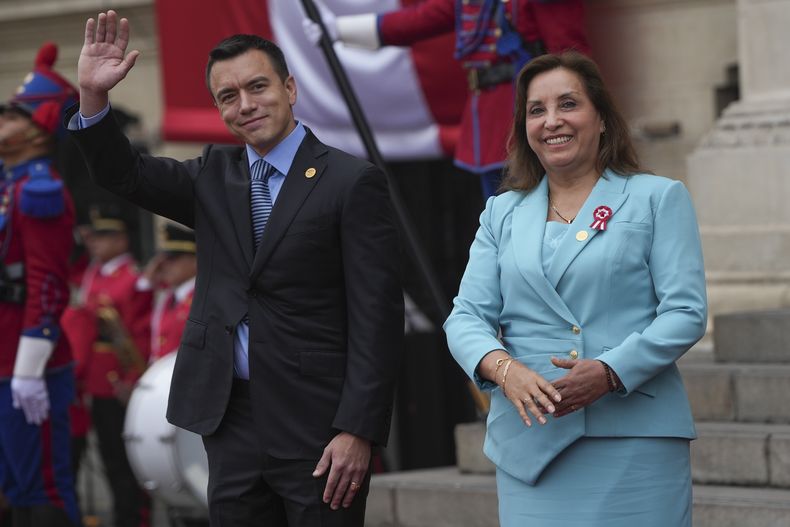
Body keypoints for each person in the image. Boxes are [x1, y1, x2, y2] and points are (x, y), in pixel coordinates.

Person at [68, 11, 404, 527]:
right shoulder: (211, 175)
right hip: (230, 422)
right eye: (228, 97)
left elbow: (377, 317)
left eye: (257, 87)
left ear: (290, 88)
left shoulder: (350, 182)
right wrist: (93, 98)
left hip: (318, 426)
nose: (245, 105)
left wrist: (357, 430)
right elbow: (125, 173)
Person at [443, 51, 707, 526]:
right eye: (536, 110)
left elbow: (685, 312)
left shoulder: (657, 197)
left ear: (602, 118)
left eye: (568, 104)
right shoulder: (500, 212)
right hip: (532, 443)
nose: (552, 121)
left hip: (635, 438)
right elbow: (465, 317)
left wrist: (610, 371)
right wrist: (506, 371)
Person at [306, 0, 589, 198]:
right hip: (488, 122)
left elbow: (571, 59)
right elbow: (417, 20)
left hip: (529, 122)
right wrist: (338, 29)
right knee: (501, 225)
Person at [0, 42, 80, 526]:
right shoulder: (9, 184)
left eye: (12, 114)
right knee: (11, 486)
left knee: (42, 488)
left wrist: (30, 368)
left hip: (29, 366)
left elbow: (46, 284)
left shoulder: (39, 190)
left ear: (40, 127)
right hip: (2, 358)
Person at [70, 203, 152, 527]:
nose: (95, 242)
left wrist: (132, 377)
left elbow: (141, 335)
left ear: (121, 239)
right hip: (93, 380)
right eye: (94, 236)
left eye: (103, 236)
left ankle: (133, 518)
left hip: (118, 380)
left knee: (122, 463)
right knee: (107, 458)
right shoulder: (93, 273)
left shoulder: (133, 279)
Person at [145, 222, 198, 363]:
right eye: (163, 260)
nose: (164, 265)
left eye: (173, 259)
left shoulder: (201, 298)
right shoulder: (168, 297)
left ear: (195, 261)